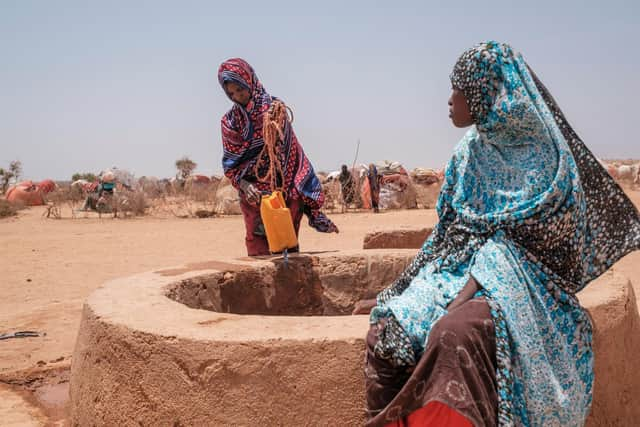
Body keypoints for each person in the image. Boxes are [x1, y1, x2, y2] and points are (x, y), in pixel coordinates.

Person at [353, 41, 640, 427]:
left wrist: (476, 284)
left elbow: (544, 246)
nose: (450, 100)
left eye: (460, 90)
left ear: (487, 93)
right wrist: (396, 292)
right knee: (388, 333)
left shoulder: (546, 161)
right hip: (456, 275)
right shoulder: (467, 154)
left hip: (526, 286)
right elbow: (446, 236)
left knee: (455, 334)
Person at [218, 58, 338, 256]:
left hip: (284, 190)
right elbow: (232, 165)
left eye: (241, 90)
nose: (238, 97)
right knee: (258, 249)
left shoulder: (274, 109)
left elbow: (289, 150)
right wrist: (246, 185)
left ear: (251, 82)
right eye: (231, 93)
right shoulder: (230, 122)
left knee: (286, 248)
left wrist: (280, 188)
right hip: (253, 196)